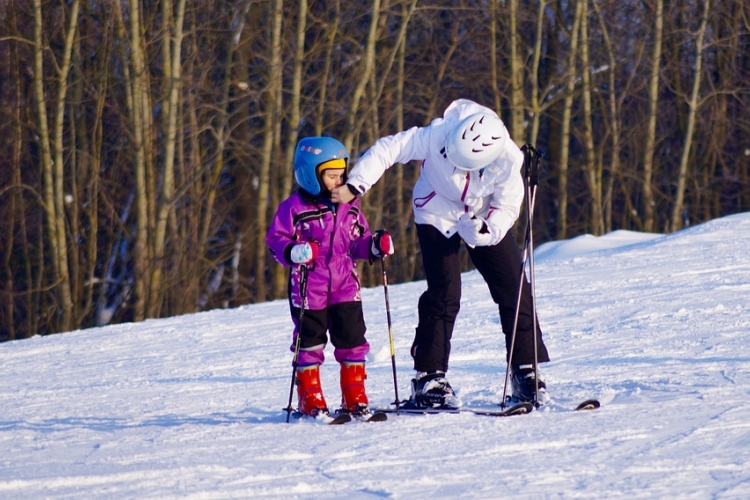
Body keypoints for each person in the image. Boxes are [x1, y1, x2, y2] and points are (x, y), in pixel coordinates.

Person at [331, 99, 550, 409]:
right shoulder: (439, 134)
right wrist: (356, 184)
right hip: (436, 210)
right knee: (445, 292)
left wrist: (489, 229)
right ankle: (429, 377)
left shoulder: (509, 160)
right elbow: (388, 148)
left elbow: (509, 206)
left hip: (482, 214)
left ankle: (526, 370)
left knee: (514, 289)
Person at [266, 136, 394, 417]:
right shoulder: (294, 209)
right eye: (332, 176)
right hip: (309, 289)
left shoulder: (349, 205)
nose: (339, 182)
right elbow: (275, 241)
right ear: (310, 176)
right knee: (310, 341)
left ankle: (354, 394)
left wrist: (374, 245)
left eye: (341, 175)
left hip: (346, 285)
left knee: (352, 338)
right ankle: (309, 397)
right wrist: (293, 251)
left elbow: (356, 242)